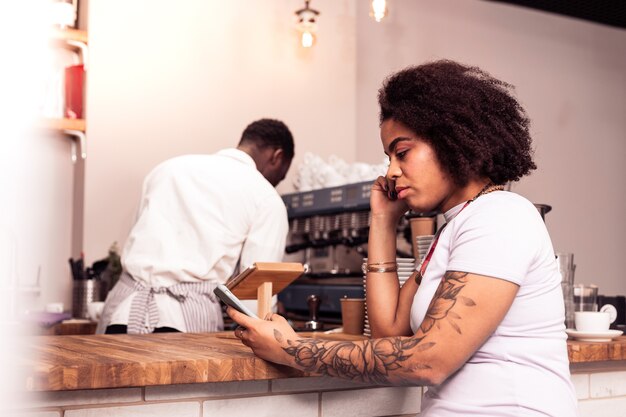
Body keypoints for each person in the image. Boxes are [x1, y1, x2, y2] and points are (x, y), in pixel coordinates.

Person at [228, 61, 578, 416]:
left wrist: (294, 350)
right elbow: (389, 337)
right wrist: (381, 220)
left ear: (451, 141)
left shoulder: (501, 215)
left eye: (403, 152)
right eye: (389, 157)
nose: (391, 171)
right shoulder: (454, 228)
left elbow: (429, 360)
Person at [96, 118, 295, 334]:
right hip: (184, 322)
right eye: (280, 177)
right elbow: (256, 296)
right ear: (277, 157)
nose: (276, 183)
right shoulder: (265, 197)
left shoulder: (166, 169)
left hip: (121, 313)